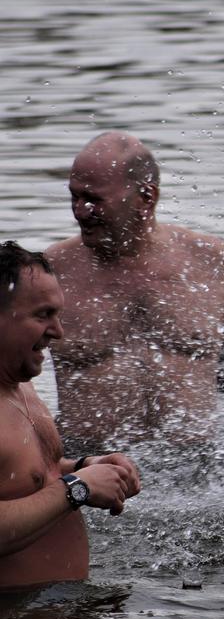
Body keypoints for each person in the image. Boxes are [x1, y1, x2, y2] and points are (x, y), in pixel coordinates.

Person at [45, 131, 224, 448]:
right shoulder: (50, 273)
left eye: (94, 200)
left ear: (147, 198)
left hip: (195, 472)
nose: (80, 211)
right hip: (89, 464)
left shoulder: (210, 263)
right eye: (74, 196)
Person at [0, 242, 140, 589]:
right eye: (42, 315)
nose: (58, 332)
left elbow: (22, 475)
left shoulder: (22, 388)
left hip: (56, 617)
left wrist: (85, 467)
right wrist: (77, 489)